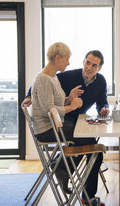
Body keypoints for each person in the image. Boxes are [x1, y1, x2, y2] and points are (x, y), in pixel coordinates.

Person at [30, 44, 105, 205]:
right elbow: (48, 111)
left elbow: (52, 103)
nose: (69, 63)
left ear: (99, 68)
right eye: (67, 59)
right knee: (95, 150)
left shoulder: (53, 77)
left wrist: (69, 98)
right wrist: (71, 106)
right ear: (58, 58)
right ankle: (85, 195)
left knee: (91, 146)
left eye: (94, 65)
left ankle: (61, 167)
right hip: (49, 129)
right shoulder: (44, 78)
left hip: (57, 125)